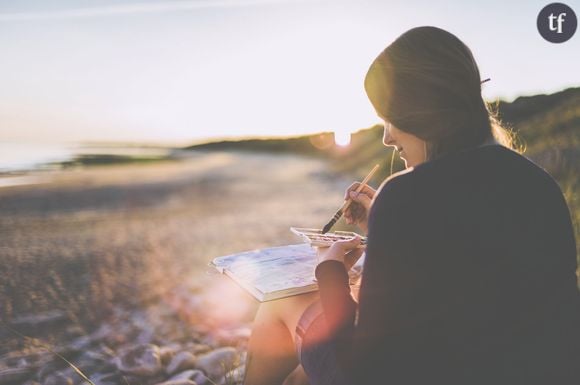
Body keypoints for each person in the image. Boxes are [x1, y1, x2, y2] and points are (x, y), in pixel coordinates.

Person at [243, 26, 580, 385]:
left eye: (390, 118)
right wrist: (382, 227)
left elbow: (364, 366)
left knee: (279, 303)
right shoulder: (538, 183)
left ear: (420, 111)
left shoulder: (406, 194)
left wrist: (330, 273)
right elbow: (470, 273)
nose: (387, 137)